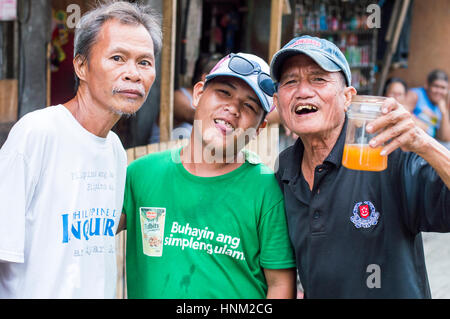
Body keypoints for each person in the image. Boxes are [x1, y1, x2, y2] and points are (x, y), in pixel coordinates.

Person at [0, 1, 161, 298]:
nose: (133, 74)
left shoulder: (113, 149)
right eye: (117, 57)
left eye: (144, 62)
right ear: (81, 66)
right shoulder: (37, 134)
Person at [270, 35, 450, 298]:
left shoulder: (387, 154)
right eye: (290, 81)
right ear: (278, 101)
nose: (303, 91)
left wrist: (424, 143)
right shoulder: (285, 168)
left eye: (318, 78)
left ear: (348, 98)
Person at [119, 53, 296, 299]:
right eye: (224, 92)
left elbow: (279, 285)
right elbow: (88, 229)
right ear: (199, 93)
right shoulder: (141, 173)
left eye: (249, 106)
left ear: (260, 128)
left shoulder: (266, 189)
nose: (233, 108)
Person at [149, 53, 222, 143]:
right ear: (205, 78)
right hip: (160, 153)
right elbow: (195, 117)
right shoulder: (178, 97)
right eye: (222, 81)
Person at [405, 69, 450, 142]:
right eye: (436, 86)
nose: (439, 91)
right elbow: (401, 114)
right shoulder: (416, 95)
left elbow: (445, 138)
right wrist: (422, 127)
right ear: (427, 85)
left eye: (443, 88)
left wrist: (444, 113)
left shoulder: (441, 106)